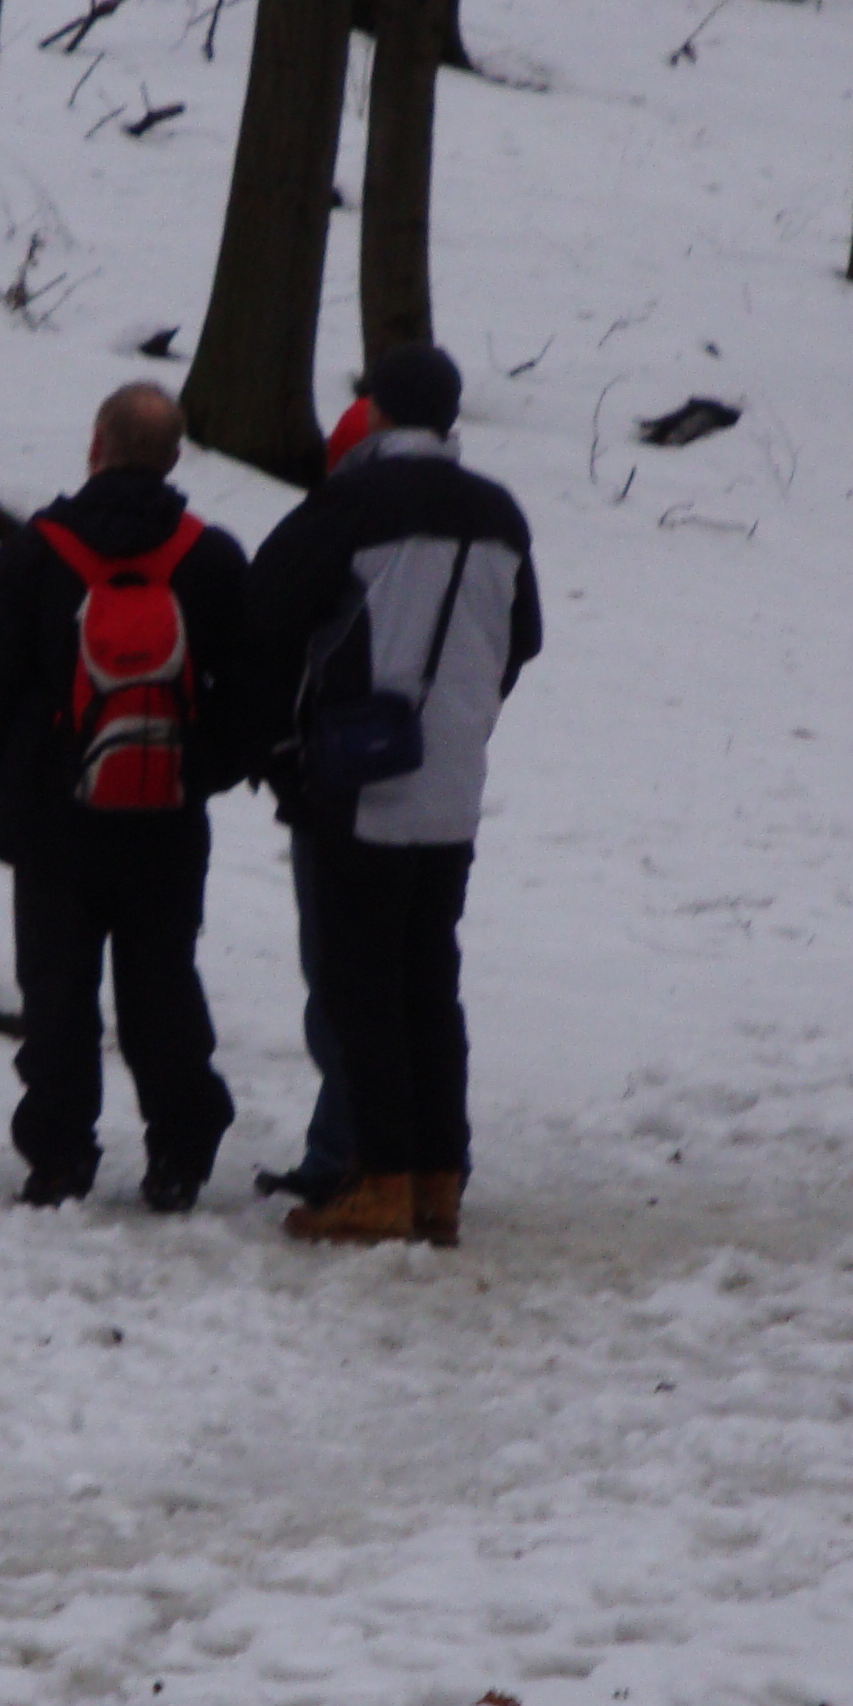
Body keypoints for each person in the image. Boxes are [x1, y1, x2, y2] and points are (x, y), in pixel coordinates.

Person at [242, 344, 540, 1247]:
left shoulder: (348, 505)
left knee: (361, 988)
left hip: (358, 780)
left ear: (376, 412)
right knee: (429, 985)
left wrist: (276, 747)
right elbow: (522, 637)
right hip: (453, 784)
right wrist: (461, 711)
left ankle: (380, 1184)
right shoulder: (499, 512)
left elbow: (265, 621)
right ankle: (439, 1183)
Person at [0, 382, 249, 1210]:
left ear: (96, 445)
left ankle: (58, 1157)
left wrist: (0, 781)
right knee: (162, 987)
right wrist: (197, 772)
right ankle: (180, 1153)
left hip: (52, 818)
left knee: (56, 995)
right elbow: (251, 694)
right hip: (165, 819)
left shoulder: (33, 553)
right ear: (174, 457)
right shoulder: (210, 559)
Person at [254, 390, 381, 1207]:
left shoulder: (324, 528)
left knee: (335, 978)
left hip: (333, 784)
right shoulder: (477, 521)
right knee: (412, 976)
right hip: (436, 785)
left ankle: (341, 1154)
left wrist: (277, 758)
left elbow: (263, 640)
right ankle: (421, 1156)